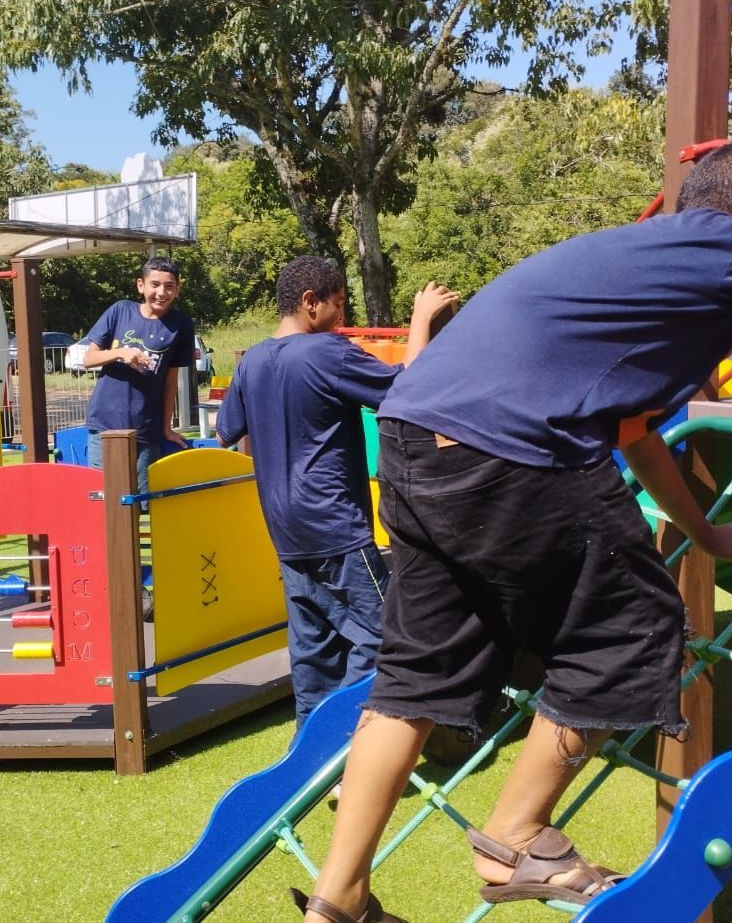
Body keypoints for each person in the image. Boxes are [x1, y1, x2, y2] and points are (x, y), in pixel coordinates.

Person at [296, 138, 732, 923]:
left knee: (414, 676)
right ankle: (514, 835)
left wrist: (701, 531)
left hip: (411, 441)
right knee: (635, 626)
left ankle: (338, 899)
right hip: (509, 444)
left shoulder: (647, 257)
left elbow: (634, 430)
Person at [215, 255, 457, 730]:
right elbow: (407, 388)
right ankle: (353, 747)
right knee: (387, 635)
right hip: (335, 526)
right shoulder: (326, 352)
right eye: (339, 306)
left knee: (313, 650)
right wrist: (421, 319)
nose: (342, 319)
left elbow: (227, 430)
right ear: (310, 303)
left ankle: (310, 761)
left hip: (286, 531)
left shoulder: (253, 361)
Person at [80, 256, 194, 493]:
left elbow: (171, 381)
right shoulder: (120, 310)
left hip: (146, 428)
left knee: (143, 502)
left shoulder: (181, 325)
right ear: (141, 285)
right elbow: (88, 359)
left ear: (177, 290)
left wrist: (166, 427)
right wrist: (121, 352)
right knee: (105, 500)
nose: (161, 292)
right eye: (155, 284)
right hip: (105, 424)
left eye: (169, 286)